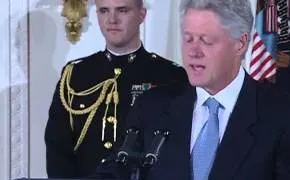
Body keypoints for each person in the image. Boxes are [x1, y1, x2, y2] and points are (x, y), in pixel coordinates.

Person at [120, 0, 290, 179]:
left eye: (206, 40)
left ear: (240, 44)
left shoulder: (289, 118)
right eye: (188, 38)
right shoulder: (151, 107)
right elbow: (117, 171)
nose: (193, 51)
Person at [44, 0, 187, 178]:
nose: (112, 20)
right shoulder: (75, 75)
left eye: (122, 11)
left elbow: (177, 148)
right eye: (104, 11)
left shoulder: (169, 75)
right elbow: (58, 147)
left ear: (141, 15)